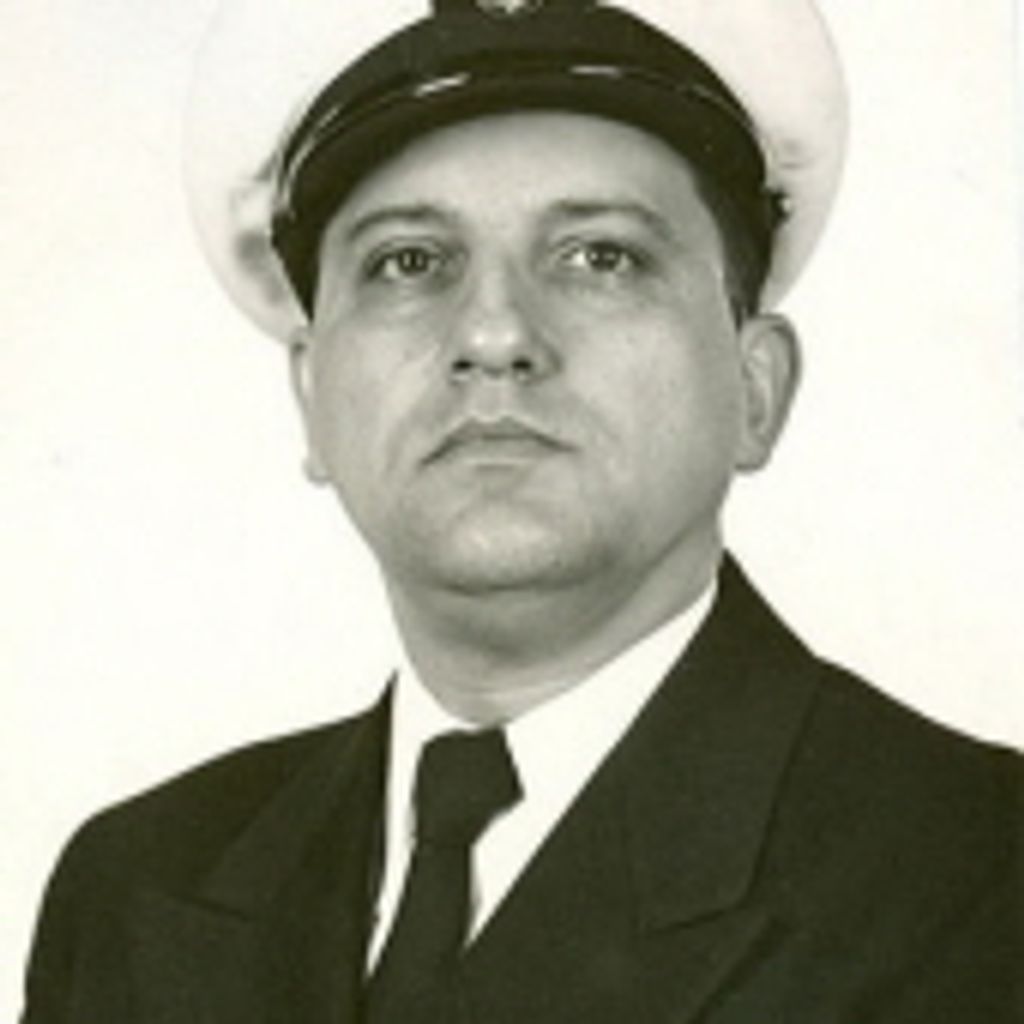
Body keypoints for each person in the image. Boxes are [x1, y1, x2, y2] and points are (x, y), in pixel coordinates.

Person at [20, 0, 1020, 1021]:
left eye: (601, 257)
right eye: (408, 262)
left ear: (756, 390)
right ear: (311, 397)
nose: (493, 335)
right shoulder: (135, 890)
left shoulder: (982, 873)